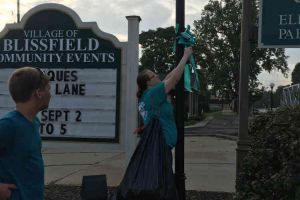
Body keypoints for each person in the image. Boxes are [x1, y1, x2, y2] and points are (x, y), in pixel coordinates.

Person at [0, 67, 51, 200]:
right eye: (48, 89)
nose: (50, 94)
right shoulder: (8, 125)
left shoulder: (34, 122)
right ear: (38, 93)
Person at [137, 47, 193, 149]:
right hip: (160, 148)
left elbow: (168, 77)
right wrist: (185, 56)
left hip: (157, 146)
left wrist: (183, 62)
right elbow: (174, 79)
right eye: (154, 76)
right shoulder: (153, 94)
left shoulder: (147, 95)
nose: (157, 75)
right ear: (148, 82)